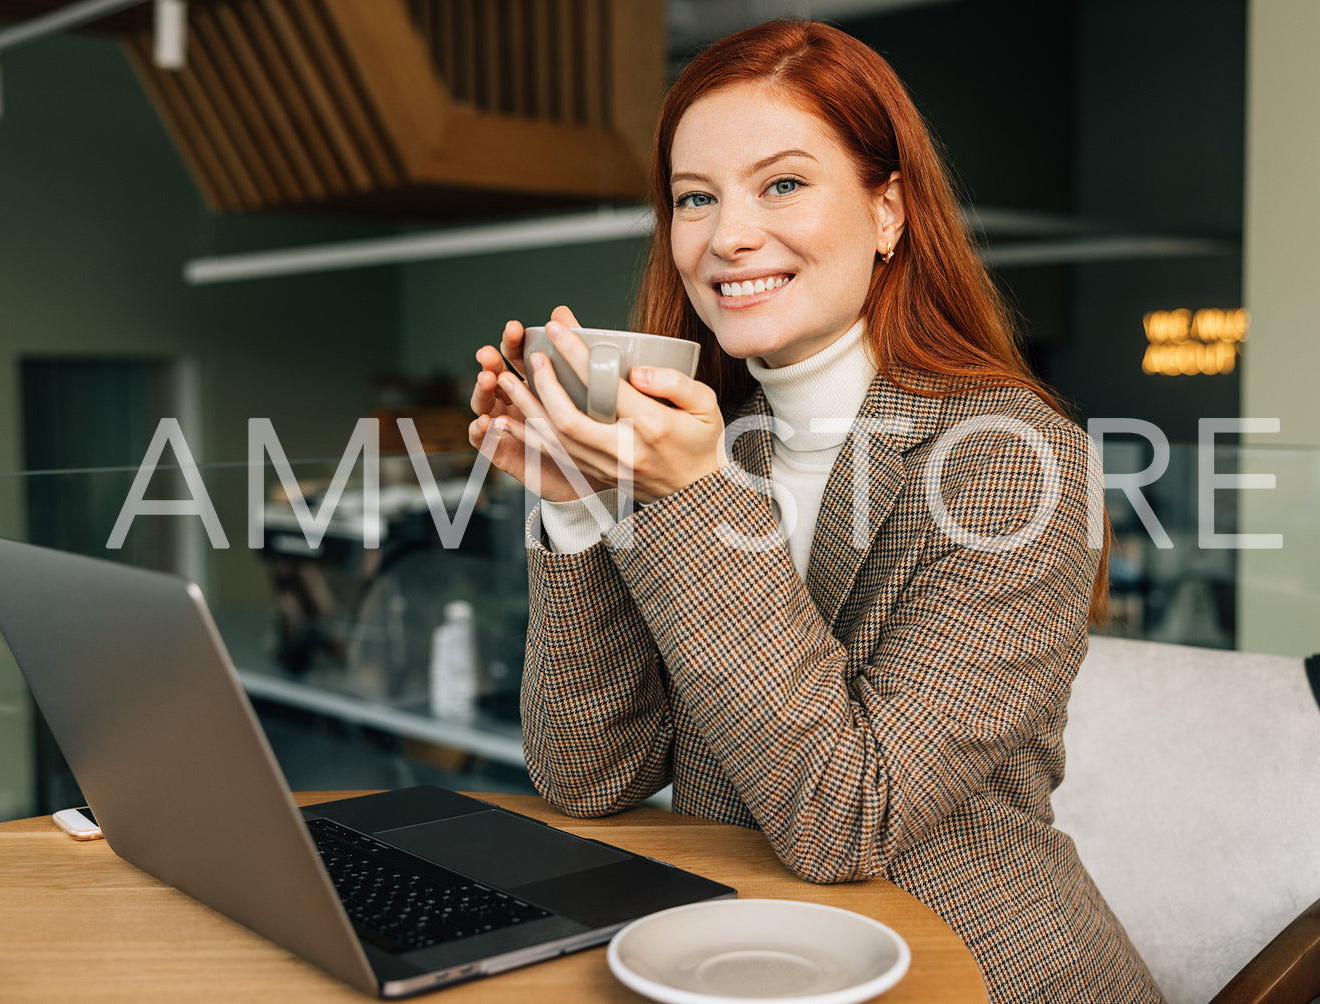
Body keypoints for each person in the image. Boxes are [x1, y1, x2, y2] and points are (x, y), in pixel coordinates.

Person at [467, 20, 1164, 1004]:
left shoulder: (1010, 462)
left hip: (975, 967)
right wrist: (580, 504)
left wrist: (689, 497)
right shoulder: (714, 442)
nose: (728, 234)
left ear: (886, 210)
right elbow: (591, 774)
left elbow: (847, 818)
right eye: (694, 198)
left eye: (782, 183)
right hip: (741, 960)